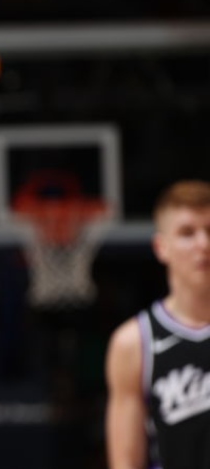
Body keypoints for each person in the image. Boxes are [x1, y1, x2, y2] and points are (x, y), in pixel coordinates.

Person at [105, 179, 210, 469]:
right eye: (188, 233)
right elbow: (125, 462)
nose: (203, 243)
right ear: (161, 247)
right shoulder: (134, 342)